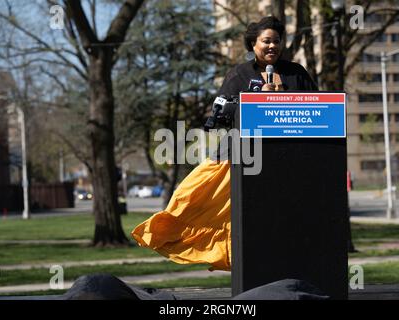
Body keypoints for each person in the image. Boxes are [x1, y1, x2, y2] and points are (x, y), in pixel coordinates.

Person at [131, 16, 318, 271]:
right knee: (191, 196)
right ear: (253, 44)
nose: (272, 46)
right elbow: (221, 115)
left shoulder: (296, 74)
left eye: (276, 41)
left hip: (285, 160)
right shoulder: (240, 74)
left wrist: (284, 97)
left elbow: (318, 110)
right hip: (238, 156)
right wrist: (257, 100)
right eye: (266, 41)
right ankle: (169, 234)